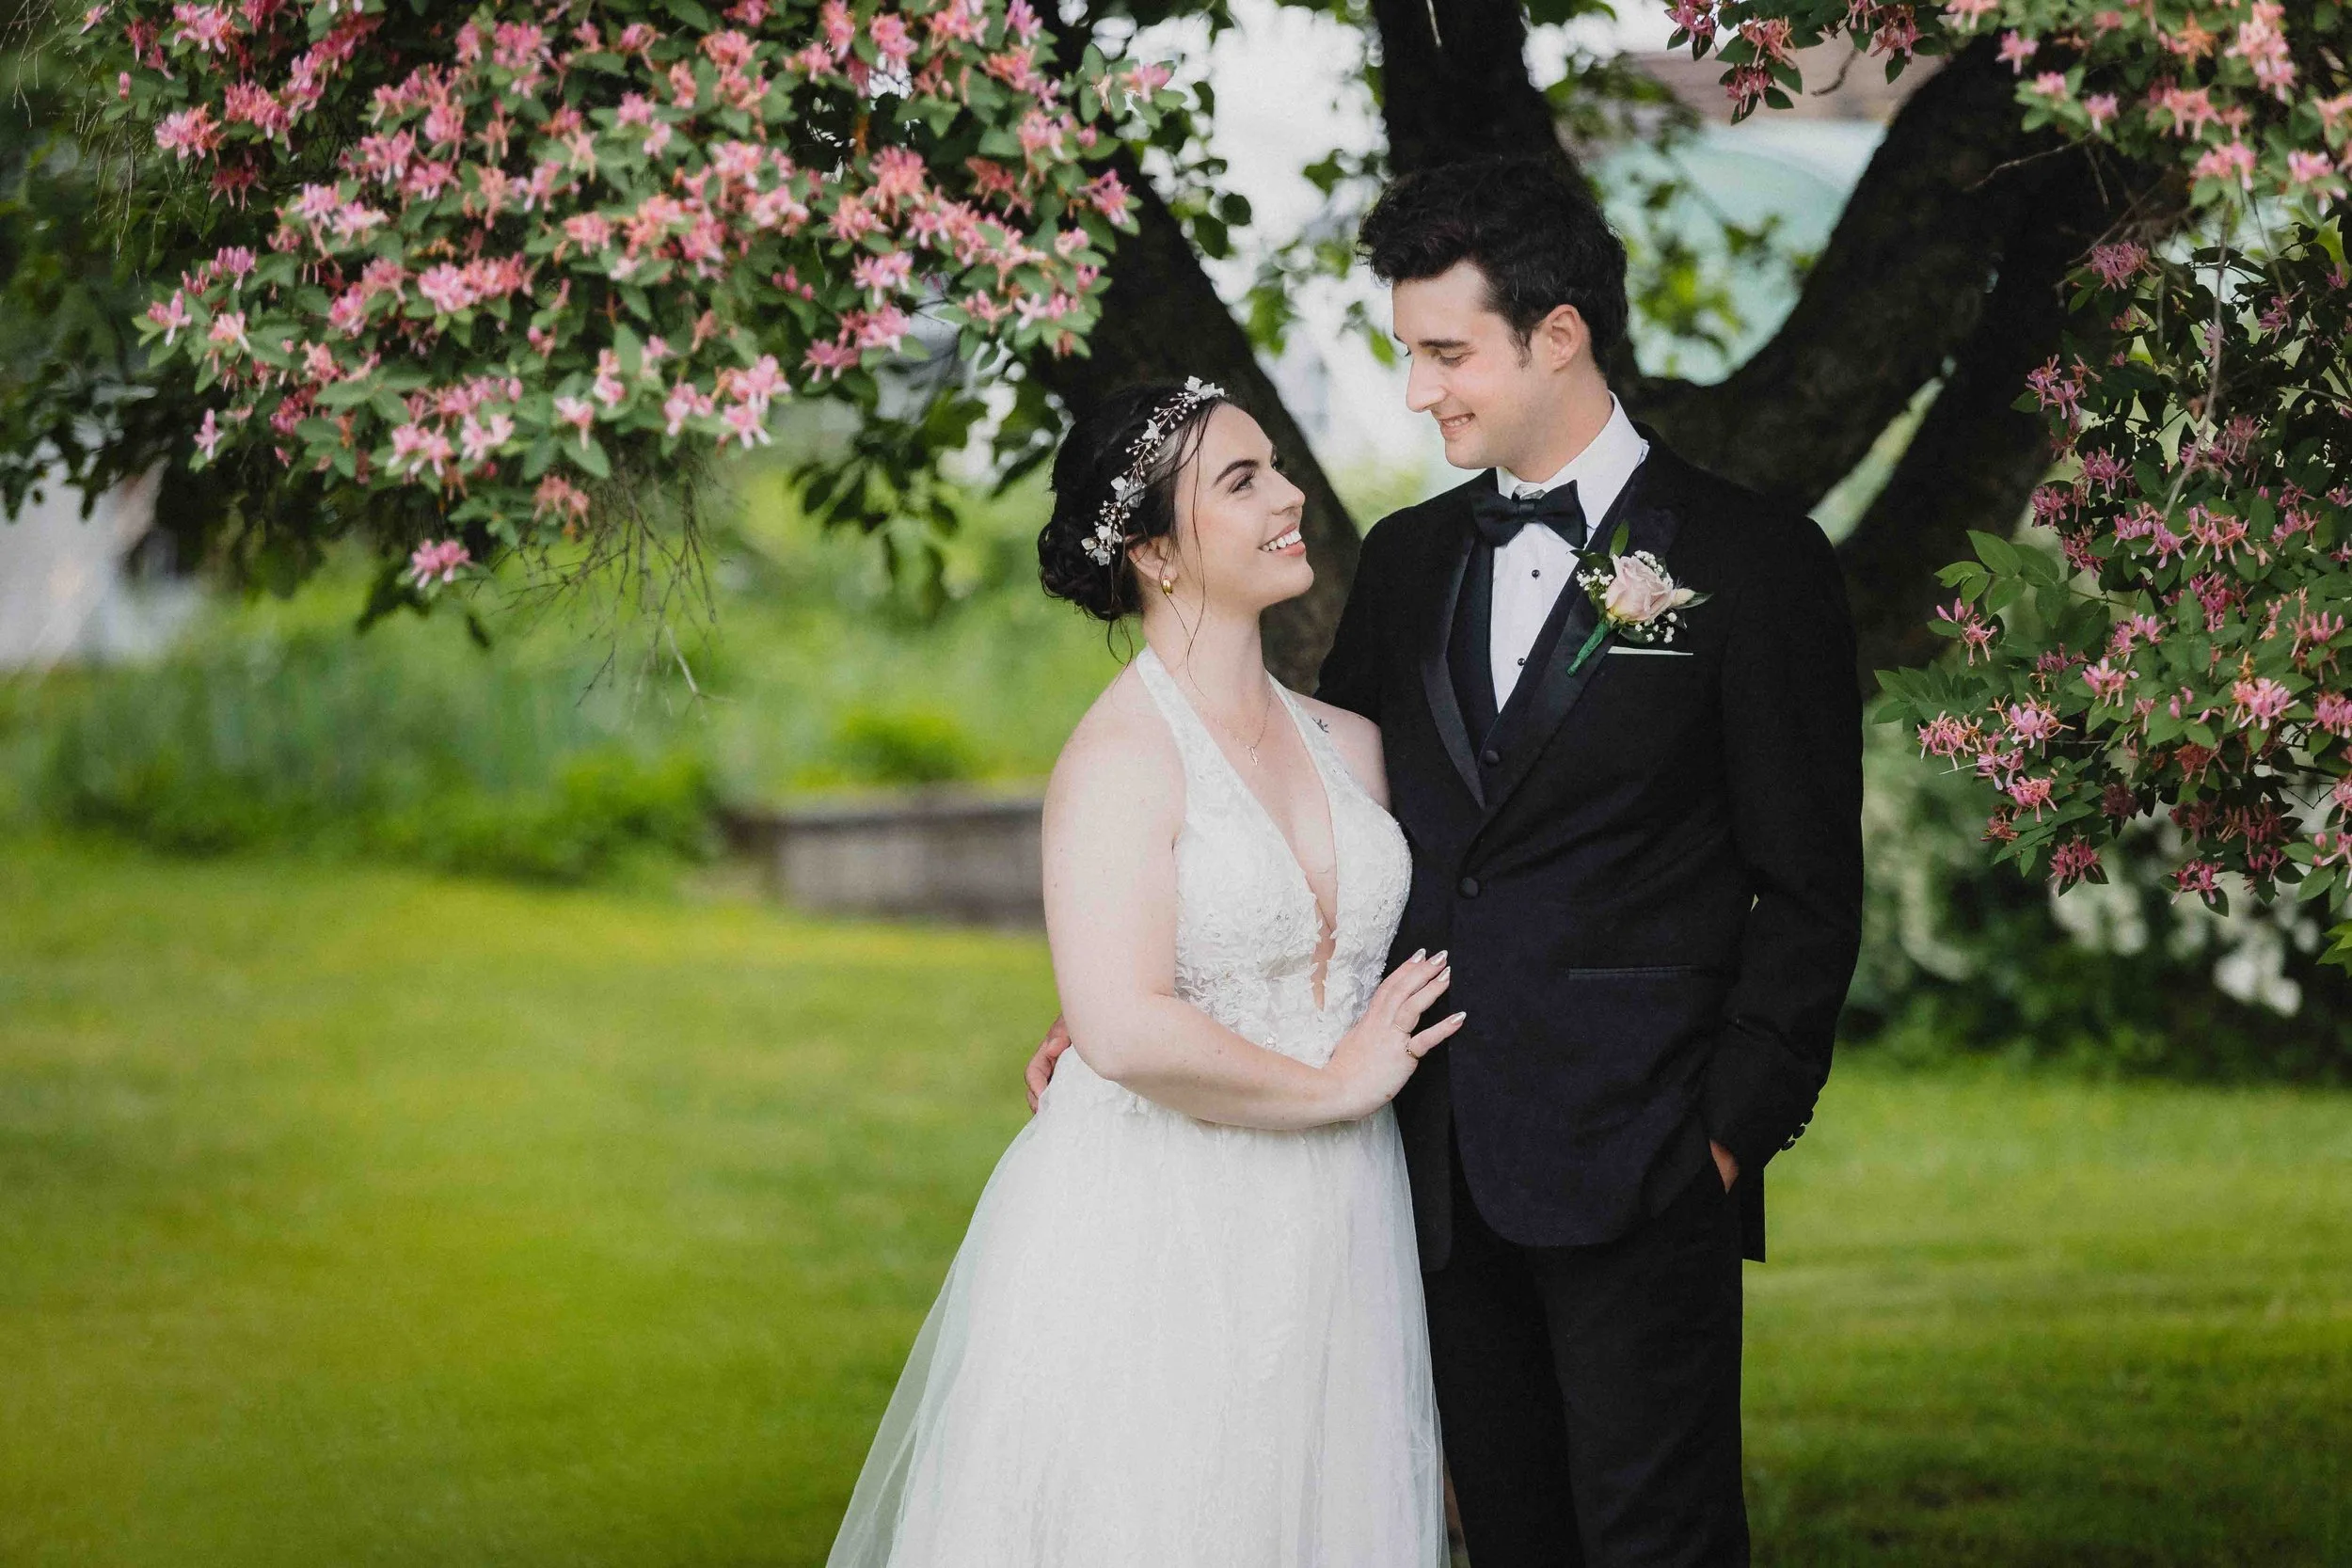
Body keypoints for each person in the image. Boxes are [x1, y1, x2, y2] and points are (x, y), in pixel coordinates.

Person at [1029, 158, 1866, 1566]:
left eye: (1446, 353)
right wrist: (1134, 986)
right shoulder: (1412, 562)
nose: (1420, 391)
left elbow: (1810, 886)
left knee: (1662, 1540)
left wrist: (1726, 1132)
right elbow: (1333, 818)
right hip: (1417, 1169)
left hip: (1642, 1156)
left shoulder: (1753, 557)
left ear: (1558, 335)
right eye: (1409, 353)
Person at [827, 377, 1460, 1568]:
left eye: (1274, 467)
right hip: (1166, 1219)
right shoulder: (1117, 755)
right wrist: (1337, 1085)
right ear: (1157, 551)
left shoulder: (1355, 744)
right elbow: (1121, 1028)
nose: (1289, 498)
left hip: (1343, 1220)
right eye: (1242, 480)